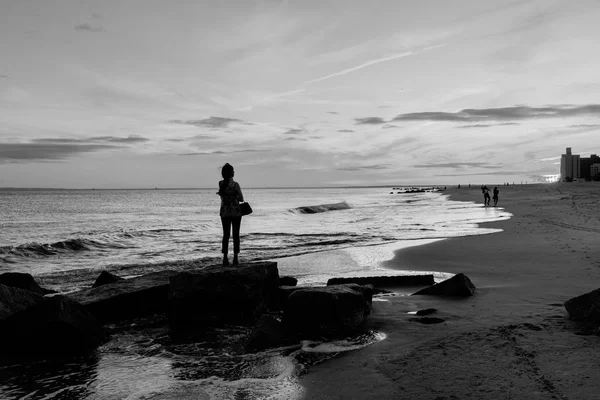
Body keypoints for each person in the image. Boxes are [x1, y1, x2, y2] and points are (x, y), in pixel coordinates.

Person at [217, 163, 244, 266]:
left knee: (226, 235)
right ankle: (236, 258)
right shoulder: (235, 185)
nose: (234, 172)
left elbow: (223, 195)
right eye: (233, 171)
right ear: (232, 173)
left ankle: (225, 258)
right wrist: (235, 196)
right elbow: (241, 199)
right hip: (236, 212)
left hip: (224, 212)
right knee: (236, 235)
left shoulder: (220, 184)